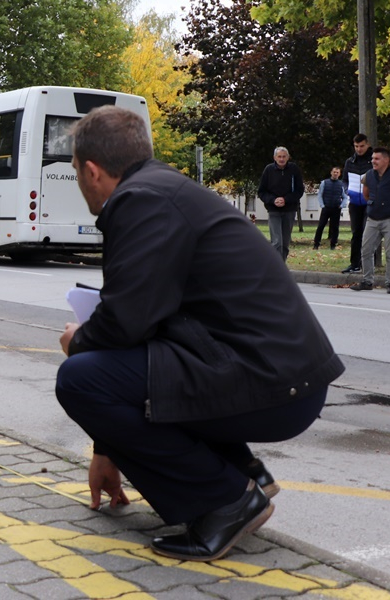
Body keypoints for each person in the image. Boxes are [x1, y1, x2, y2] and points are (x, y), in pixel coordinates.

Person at [55, 106, 344, 563]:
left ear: (92, 170)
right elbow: (143, 328)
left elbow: (124, 324)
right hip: (281, 377)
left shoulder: (139, 201)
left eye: (74, 170)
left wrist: (80, 340)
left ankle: (225, 501)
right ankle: (238, 469)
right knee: (116, 368)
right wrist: (107, 446)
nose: (78, 180)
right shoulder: (164, 190)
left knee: (79, 376)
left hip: (275, 386)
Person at [349, 147, 390, 294]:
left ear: (386, 160)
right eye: (372, 158)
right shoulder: (368, 175)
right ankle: (367, 281)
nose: (373, 161)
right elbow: (366, 194)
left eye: (377, 159)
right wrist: (374, 205)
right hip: (372, 219)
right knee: (366, 250)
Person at [257, 147, 304, 262]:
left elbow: (299, 190)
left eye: (284, 156)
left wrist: (286, 199)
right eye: (279, 156)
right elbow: (261, 192)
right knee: (277, 241)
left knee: (285, 242)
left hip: (289, 210)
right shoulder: (268, 170)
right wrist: (273, 200)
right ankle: (275, 267)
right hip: (273, 210)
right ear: (274, 158)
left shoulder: (294, 169)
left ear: (288, 157)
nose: (281, 159)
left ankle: (281, 266)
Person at [341, 134, 374, 273]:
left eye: (361, 146)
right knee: (356, 233)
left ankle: (368, 264)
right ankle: (354, 264)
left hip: (370, 202)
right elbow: (344, 180)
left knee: (369, 233)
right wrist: (347, 190)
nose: (359, 149)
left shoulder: (373, 160)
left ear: (367, 145)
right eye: (356, 146)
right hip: (354, 202)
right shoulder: (350, 161)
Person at [313, 167, 347, 250]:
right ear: (331, 172)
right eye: (334, 172)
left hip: (336, 209)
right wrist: (322, 205)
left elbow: (345, 197)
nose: (335, 174)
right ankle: (316, 244)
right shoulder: (324, 183)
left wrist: (342, 205)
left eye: (337, 172)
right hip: (326, 208)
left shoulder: (341, 184)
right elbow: (320, 195)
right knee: (321, 226)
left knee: (335, 228)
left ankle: (333, 245)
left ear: (339, 174)